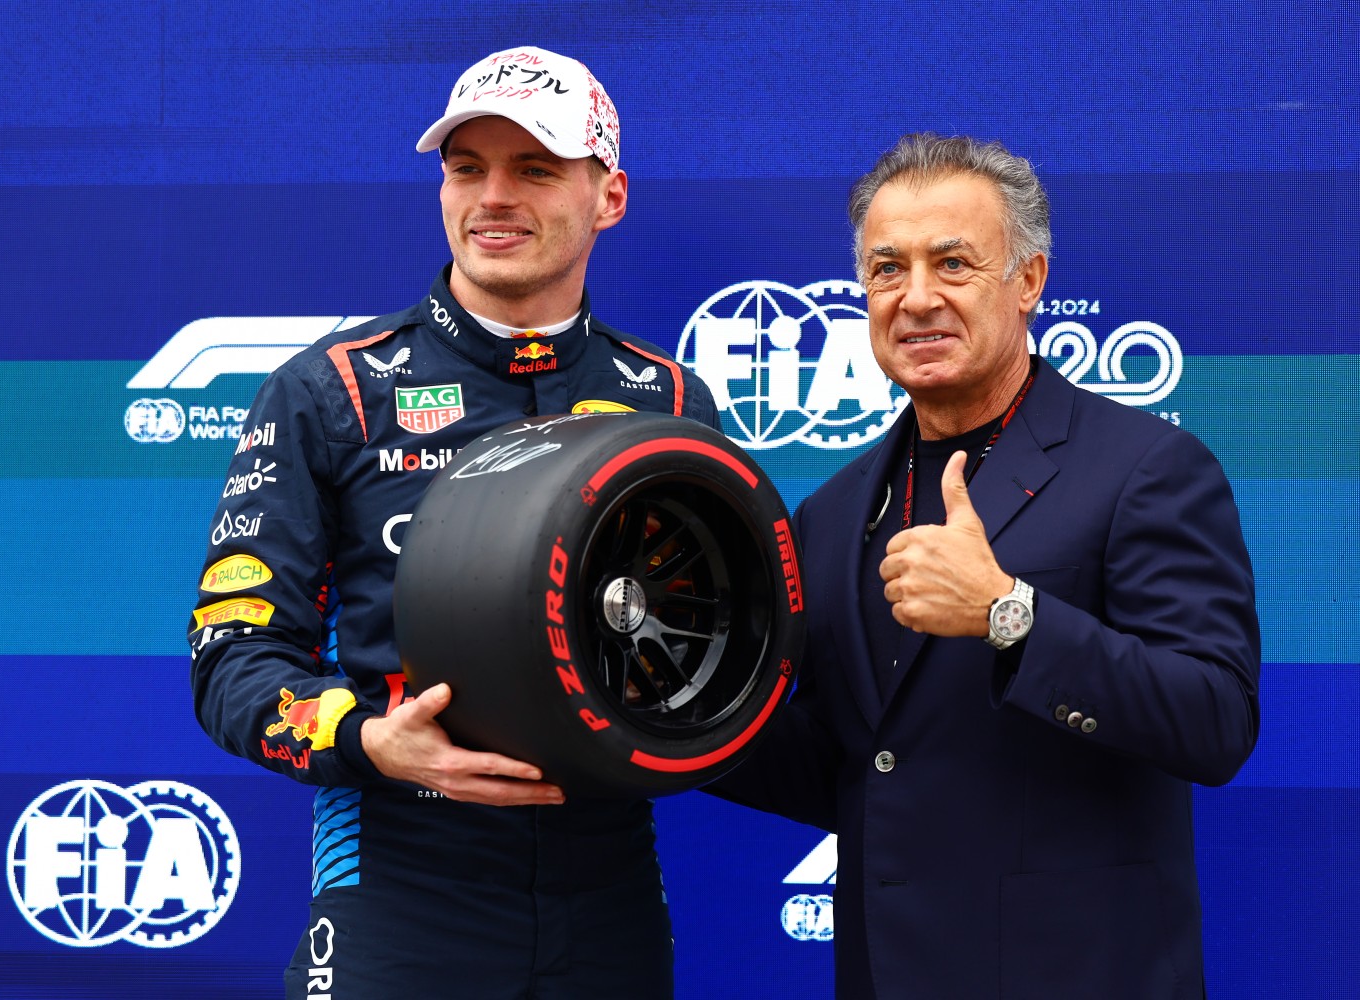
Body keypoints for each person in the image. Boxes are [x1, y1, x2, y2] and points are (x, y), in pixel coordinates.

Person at [187, 45, 721, 999]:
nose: (493, 197)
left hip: (608, 884)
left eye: (535, 169)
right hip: (400, 871)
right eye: (466, 168)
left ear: (610, 196)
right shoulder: (330, 390)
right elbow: (232, 662)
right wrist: (366, 739)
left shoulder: (670, 401)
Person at [711, 133, 1260, 999]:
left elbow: (1215, 719)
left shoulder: (1145, 468)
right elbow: (845, 769)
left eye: (953, 264)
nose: (916, 298)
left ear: (1030, 280)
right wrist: (672, 702)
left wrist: (1012, 614)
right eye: (887, 271)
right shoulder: (832, 511)